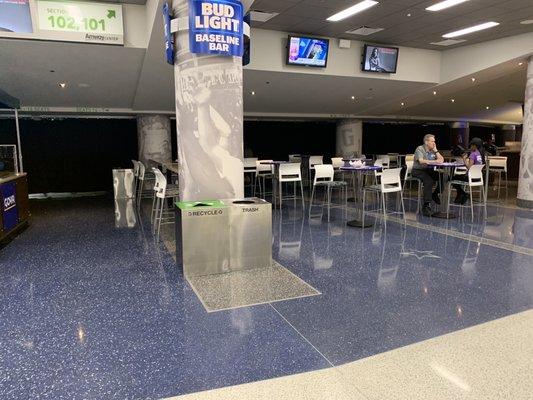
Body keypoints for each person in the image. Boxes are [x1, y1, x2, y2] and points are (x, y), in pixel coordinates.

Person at [412, 134, 445, 216]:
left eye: (434, 141)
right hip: (418, 170)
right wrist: (435, 161)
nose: (434, 143)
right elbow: (421, 161)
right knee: (429, 181)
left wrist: (436, 150)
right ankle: (426, 206)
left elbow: (441, 160)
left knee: (444, 176)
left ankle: (435, 194)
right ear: (426, 142)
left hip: (428, 170)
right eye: (432, 141)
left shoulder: (433, 150)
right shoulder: (420, 149)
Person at [453, 137, 485, 204]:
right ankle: (461, 195)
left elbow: (469, 167)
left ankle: (463, 194)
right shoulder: (479, 154)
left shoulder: (473, 154)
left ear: (474, 145)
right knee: (456, 178)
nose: (470, 147)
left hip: (470, 178)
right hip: (477, 178)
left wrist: (464, 159)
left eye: (471, 145)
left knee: (452, 178)